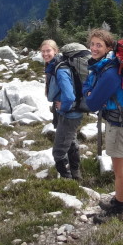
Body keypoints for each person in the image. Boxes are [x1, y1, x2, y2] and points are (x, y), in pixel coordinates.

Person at [82, 28, 123, 220]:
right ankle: (122, 200)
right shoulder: (106, 66)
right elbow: (89, 88)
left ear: (108, 47)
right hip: (121, 120)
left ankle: (118, 210)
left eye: (99, 45)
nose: (94, 48)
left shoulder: (110, 72)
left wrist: (89, 93)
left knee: (119, 169)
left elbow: (92, 102)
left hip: (118, 122)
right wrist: (90, 91)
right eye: (92, 44)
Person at [40, 39, 84, 180]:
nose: (45, 54)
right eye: (43, 51)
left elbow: (69, 96)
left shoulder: (61, 69)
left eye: (48, 51)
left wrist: (64, 106)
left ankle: (67, 180)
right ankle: (76, 176)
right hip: (66, 112)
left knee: (58, 152)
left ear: (56, 51)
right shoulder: (54, 65)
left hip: (69, 113)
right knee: (70, 142)